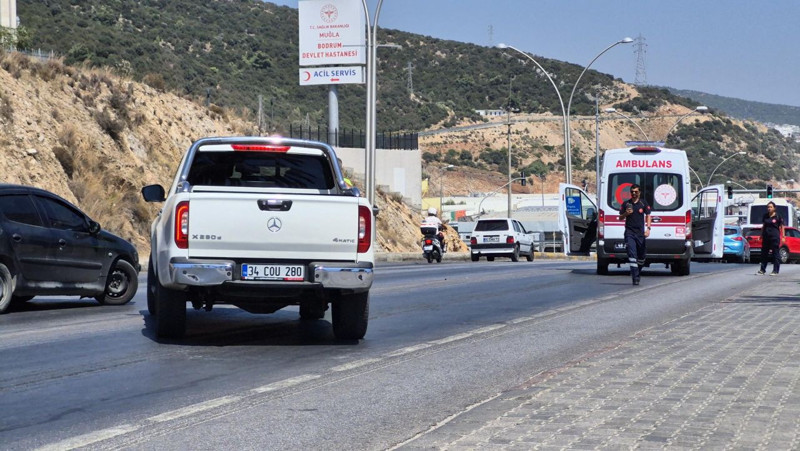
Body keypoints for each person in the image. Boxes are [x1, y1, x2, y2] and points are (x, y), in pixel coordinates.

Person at [618, 184, 651, 285]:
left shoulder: (643, 203)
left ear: (639, 192)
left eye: (636, 192)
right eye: (632, 192)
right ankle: (635, 277)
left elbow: (648, 215)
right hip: (629, 233)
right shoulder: (626, 204)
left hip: (640, 234)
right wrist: (626, 214)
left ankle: (638, 271)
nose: (634, 193)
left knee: (641, 257)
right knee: (632, 255)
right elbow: (620, 218)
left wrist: (648, 229)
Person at [758, 201, 784, 275]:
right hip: (766, 237)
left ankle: (775, 271)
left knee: (775, 254)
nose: (769, 208)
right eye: (768, 207)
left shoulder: (778, 216)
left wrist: (783, 236)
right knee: (764, 254)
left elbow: (782, 227)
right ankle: (762, 270)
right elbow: (763, 226)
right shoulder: (765, 216)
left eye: (771, 207)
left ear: (774, 208)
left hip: (774, 237)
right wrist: (761, 235)